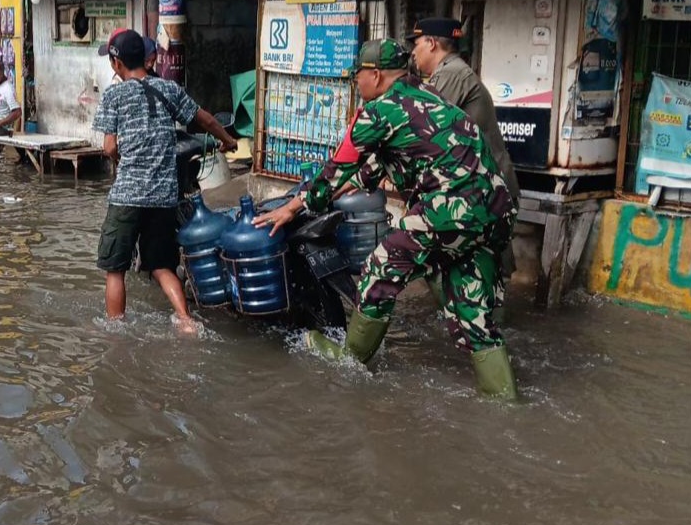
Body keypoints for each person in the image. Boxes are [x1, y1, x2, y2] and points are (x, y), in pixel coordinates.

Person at [254, 38, 519, 399]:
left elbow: (337, 167)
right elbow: (390, 158)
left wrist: (294, 206)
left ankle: (352, 359)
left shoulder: (380, 110)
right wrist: (354, 184)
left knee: (381, 267)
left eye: (356, 77)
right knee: (473, 312)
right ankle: (505, 400)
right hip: (496, 209)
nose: (356, 84)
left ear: (375, 75)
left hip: (451, 207)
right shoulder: (428, 97)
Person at [92, 29, 237, 332]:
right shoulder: (168, 89)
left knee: (115, 270)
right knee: (161, 265)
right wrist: (227, 141)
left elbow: (109, 147)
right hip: (163, 195)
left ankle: (116, 332)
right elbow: (206, 120)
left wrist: (122, 158)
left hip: (127, 196)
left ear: (116, 63)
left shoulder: (114, 94)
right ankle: (186, 320)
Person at [408, 17, 520, 318]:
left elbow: (422, 126)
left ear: (431, 43)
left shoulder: (453, 73)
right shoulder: (450, 73)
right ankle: (472, 328)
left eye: (416, 45)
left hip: (486, 190)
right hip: (474, 188)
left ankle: (486, 333)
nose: (414, 54)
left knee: (488, 269)